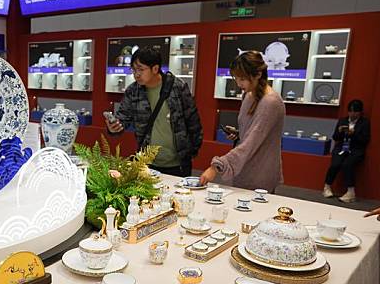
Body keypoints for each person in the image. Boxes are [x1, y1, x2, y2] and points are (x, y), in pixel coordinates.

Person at [106, 46, 203, 177]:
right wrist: (114, 127)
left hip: (177, 163)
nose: (136, 74)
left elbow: (193, 122)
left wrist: (190, 151)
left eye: (141, 69)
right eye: (133, 70)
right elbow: (123, 119)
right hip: (146, 163)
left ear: (155, 69)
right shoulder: (133, 91)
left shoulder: (177, 88)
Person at [199, 51, 285, 192]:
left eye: (242, 79)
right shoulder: (248, 95)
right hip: (244, 169)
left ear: (258, 74)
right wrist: (240, 134)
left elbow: (251, 143)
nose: (238, 84)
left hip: (259, 174)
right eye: (236, 79)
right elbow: (255, 133)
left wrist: (217, 166)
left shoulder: (271, 102)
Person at [322, 99, 370, 203]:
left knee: (347, 164)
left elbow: (365, 139)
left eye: (355, 111)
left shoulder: (364, 122)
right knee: (335, 164)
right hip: (341, 147)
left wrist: (353, 133)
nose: (352, 114)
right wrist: (340, 131)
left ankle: (350, 192)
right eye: (350, 111)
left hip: (355, 149)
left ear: (360, 112)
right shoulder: (342, 121)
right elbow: (335, 137)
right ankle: (327, 187)